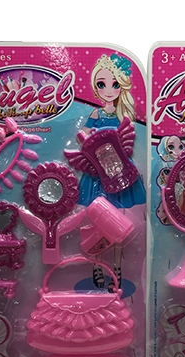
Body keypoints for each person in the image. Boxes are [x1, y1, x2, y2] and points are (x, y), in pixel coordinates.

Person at [78, 53, 146, 291]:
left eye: (114, 84)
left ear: (122, 86)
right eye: (102, 84)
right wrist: (88, 140)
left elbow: (128, 140)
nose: (108, 90)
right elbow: (83, 134)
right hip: (98, 172)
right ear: (95, 87)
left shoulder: (123, 115)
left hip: (119, 172)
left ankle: (116, 268)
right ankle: (97, 266)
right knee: (97, 222)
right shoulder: (96, 114)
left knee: (119, 223)